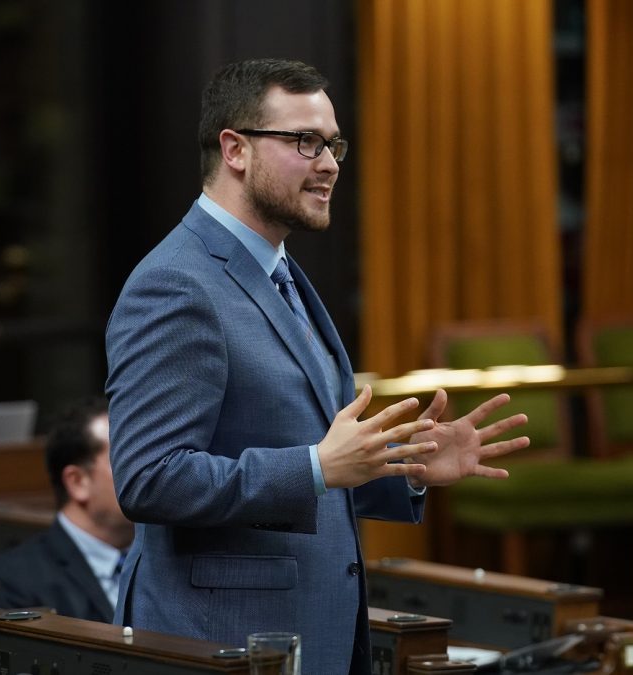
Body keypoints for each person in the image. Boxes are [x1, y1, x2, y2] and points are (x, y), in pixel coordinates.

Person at [104, 58, 530, 674]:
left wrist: (401, 469)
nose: (329, 164)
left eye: (334, 144)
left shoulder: (278, 270)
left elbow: (312, 460)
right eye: (305, 141)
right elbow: (150, 478)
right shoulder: (175, 283)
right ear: (235, 149)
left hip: (307, 633)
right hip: (221, 644)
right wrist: (314, 467)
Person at [0, 400, 133, 622]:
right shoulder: (9, 581)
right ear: (78, 482)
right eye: (126, 458)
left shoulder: (167, 560)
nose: (144, 470)